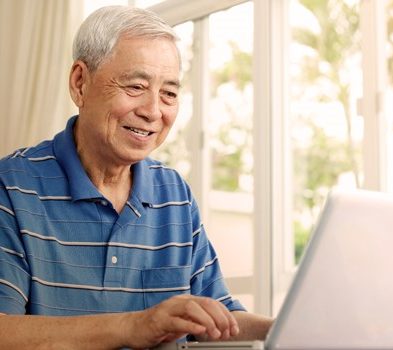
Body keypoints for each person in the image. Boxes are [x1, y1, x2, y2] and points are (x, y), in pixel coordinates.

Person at [0, 5, 272, 349]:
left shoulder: (175, 194)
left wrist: (290, 327)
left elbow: (217, 319)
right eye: (136, 86)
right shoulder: (11, 186)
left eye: (169, 93)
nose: (153, 111)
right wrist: (136, 325)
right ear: (80, 83)